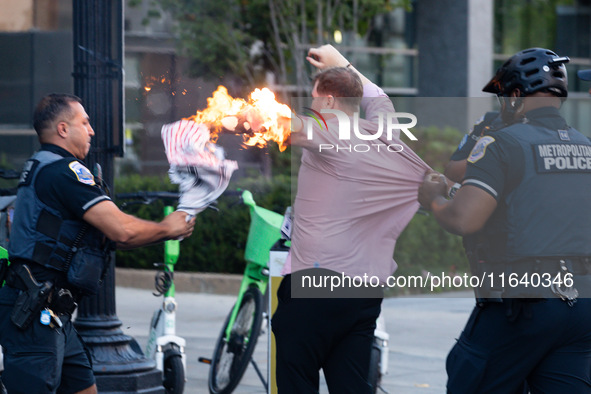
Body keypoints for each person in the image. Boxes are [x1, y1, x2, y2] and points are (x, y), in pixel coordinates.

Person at [419, 48, 591, 393]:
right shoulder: (585, 146)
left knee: (470, 377)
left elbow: (464, 219)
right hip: (581, 306)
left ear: (515, 96)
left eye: (503, 96)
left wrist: (433, 200)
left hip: (523, 302)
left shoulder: (500, 143)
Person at [0, 93, 195, 394]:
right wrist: (167, 228)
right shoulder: (64, 172)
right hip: (34, 316)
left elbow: (105, 239)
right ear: (63, 129)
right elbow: (121, 230)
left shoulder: (42, 165)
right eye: (85, 122)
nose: (91, 130)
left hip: (51, 314)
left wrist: (160, 231)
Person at [271, 45, 429, 393]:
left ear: (327, 102)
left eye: (314, 100)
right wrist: (341, 63)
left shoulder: (331, 132)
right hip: (364, 293)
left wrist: (240, 116)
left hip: (316, 286)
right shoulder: (385, 130)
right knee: (351, 384)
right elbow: (379, 94)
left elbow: (284, 125)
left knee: (297, 383)